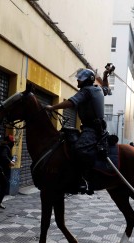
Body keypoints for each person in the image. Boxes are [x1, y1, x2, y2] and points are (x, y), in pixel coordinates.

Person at [45, 65, 114, 195]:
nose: (78, 81)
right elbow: (106, 88)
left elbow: (71, 102)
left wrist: (52, 107)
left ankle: (83, 180)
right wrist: (105, 76)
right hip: (96, 128)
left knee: (79, 149)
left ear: (87, 80)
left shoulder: (86, 91)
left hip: (92, 129)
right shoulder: (97, 89)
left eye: (80, 79)